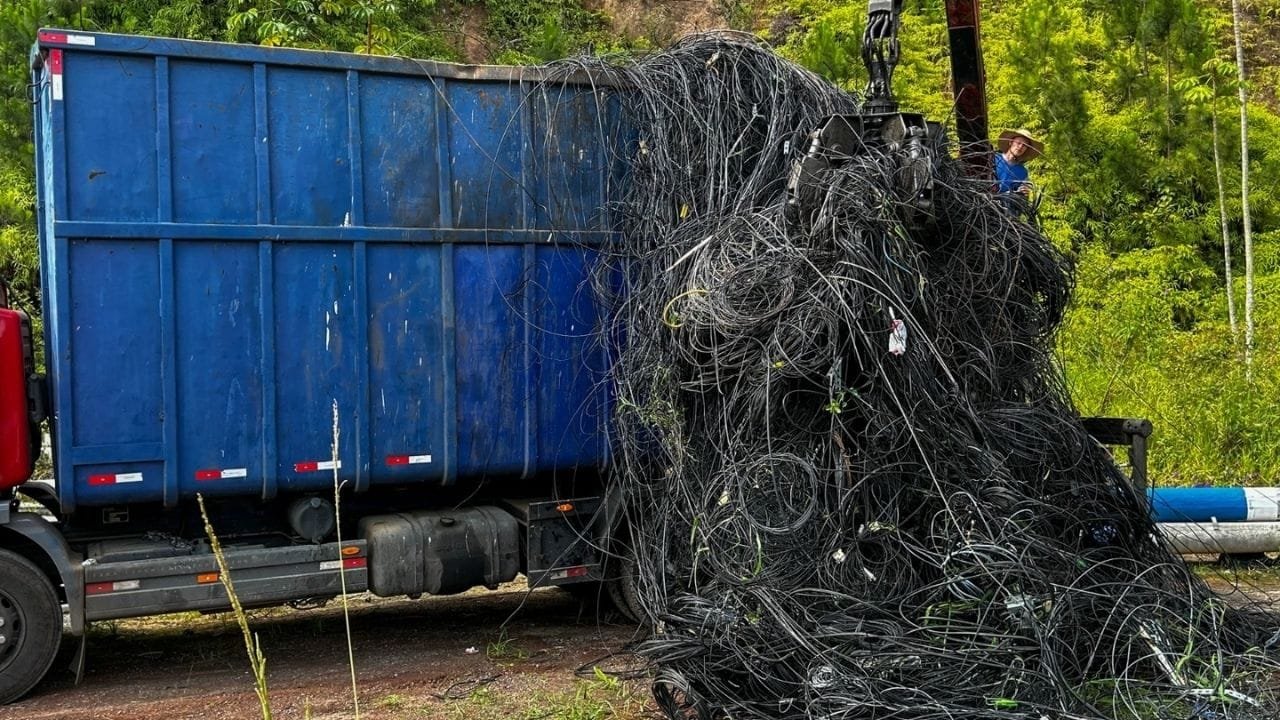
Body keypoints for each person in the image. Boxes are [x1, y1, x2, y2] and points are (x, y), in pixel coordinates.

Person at [993, 128, 1043, 197]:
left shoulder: (1022, 173)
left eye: (1024, 145)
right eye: (1018, 143)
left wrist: (1023, 192)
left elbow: (1021, 199)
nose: (1020, 147)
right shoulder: (993, 158)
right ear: (1011, 142)